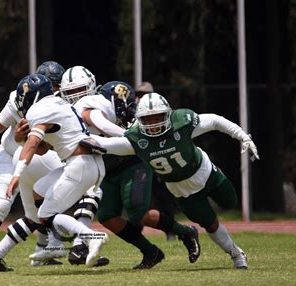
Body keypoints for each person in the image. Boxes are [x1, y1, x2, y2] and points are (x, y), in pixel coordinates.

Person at [93, 92, 259, 269]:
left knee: (230, 202)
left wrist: (241, 135)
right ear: (139, 120)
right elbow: (106, 145)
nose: (154, 123)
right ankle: (236, 254)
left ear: (168, 114)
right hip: (181, 189)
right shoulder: (136, 138)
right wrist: (76, 141)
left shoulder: (182, 121)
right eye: (148, 119)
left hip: (204, 171)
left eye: (158, 117)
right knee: (209, 223)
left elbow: (214, 120)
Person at [0, 74, 108, 272]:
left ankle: (92, 237)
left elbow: (33, 144)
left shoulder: (39, 109)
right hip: (86, 163)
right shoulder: (58, 104)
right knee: (38, 194)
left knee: (45, 213)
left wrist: (16, 174)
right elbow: (43, 147)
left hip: (80, 164)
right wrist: (22, 140)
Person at [73, 81, 200, 269]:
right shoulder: (93, 110)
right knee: (107, 215)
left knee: (137, 213)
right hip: (109, 168)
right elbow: (104, 127)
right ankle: (150, 251)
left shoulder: (135, 117)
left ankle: (185, 232)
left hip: (134, 165)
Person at [0, 61, 66, 268]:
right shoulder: (21, 97)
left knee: (49, 196)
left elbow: (45, 145)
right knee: (1, 203)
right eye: (52, 85)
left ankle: (43, 250)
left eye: (56, 86)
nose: (54, 91)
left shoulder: (60, 104)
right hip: (10, 154)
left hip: (37, 154)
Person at [135, 81, 178, 241]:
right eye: (137, 94)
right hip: (140, 163)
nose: (139, 97)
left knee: (163, 197)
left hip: (159, 161)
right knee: (137, 200)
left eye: (142, 94)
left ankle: (171, 231)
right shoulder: (135, 111)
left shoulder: (161, 111)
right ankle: (135, 231)